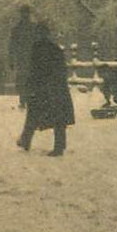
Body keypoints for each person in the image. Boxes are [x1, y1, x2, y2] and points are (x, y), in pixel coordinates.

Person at [17, 23, 75, 156]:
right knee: (58, 117)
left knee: (33, 113)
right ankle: (59, 145)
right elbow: (62, 69)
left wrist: (29, 86)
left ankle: (26, 140)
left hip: (41, 86)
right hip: (56, 86)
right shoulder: (55, 49)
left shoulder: (36, 49)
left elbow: (33, 70)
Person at [8, 5, 37, 108]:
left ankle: (24, 99)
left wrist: (11, 59)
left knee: (23, 78)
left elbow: (12, 45)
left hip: (25, 57)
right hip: (30, 57)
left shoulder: (17, 29)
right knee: (27, 78)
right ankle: (26, 99)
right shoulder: (33, 28)